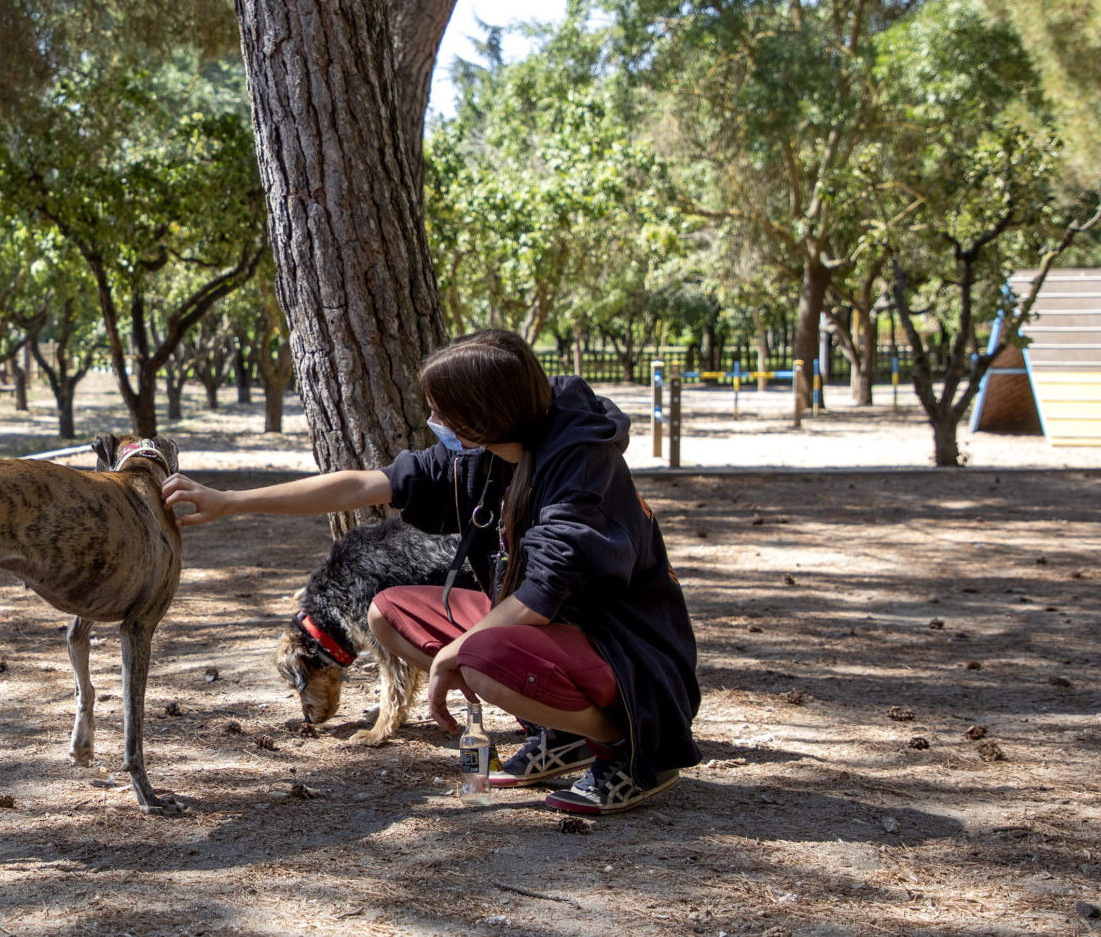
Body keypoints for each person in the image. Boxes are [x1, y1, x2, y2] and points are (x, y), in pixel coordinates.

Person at [162, 329, 700, 814]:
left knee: (479, 657)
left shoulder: (580, 465)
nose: (435, 422)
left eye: (442, 412)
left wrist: (454, 652)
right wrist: (232, 501)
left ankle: (632, 746)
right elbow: (360, 485)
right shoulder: (487, 452)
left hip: (627, 655)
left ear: (482, 416)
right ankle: (564, 733)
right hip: (552, 633)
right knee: (387, 615)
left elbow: (539, 597)